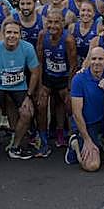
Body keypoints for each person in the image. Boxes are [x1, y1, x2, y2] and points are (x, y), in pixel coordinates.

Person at [0, 19, 41, 160]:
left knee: (27, 112)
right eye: (9, 32)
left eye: (15, 33)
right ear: (3, 34)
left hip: (19, 86)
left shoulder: (27, 48)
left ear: (20, 35)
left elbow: (35, 72)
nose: (12, 36)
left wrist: (29, 96)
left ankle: (15, 146)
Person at [37, 8, 78, 149]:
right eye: (49, 22)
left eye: (56, 22)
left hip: (64, 77)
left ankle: (68, 134)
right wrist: (40, 85)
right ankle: (42, 137)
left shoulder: (68, 40)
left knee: (67, 104)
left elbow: (73, 65)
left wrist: (69, 88)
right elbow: (39, 61)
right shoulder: (42, 35)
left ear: (62, 23)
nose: (52, 26)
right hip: (48, 76)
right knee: (41, 104)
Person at [67, 46, 104, 171]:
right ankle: (75, 143)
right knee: (92, 165)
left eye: (100, 59)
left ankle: (101, 143)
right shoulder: (79, 79)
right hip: (87, 124)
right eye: (94, 59)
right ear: (89, 60)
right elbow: (76, 113)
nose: (97, 62)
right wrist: (87, 140)